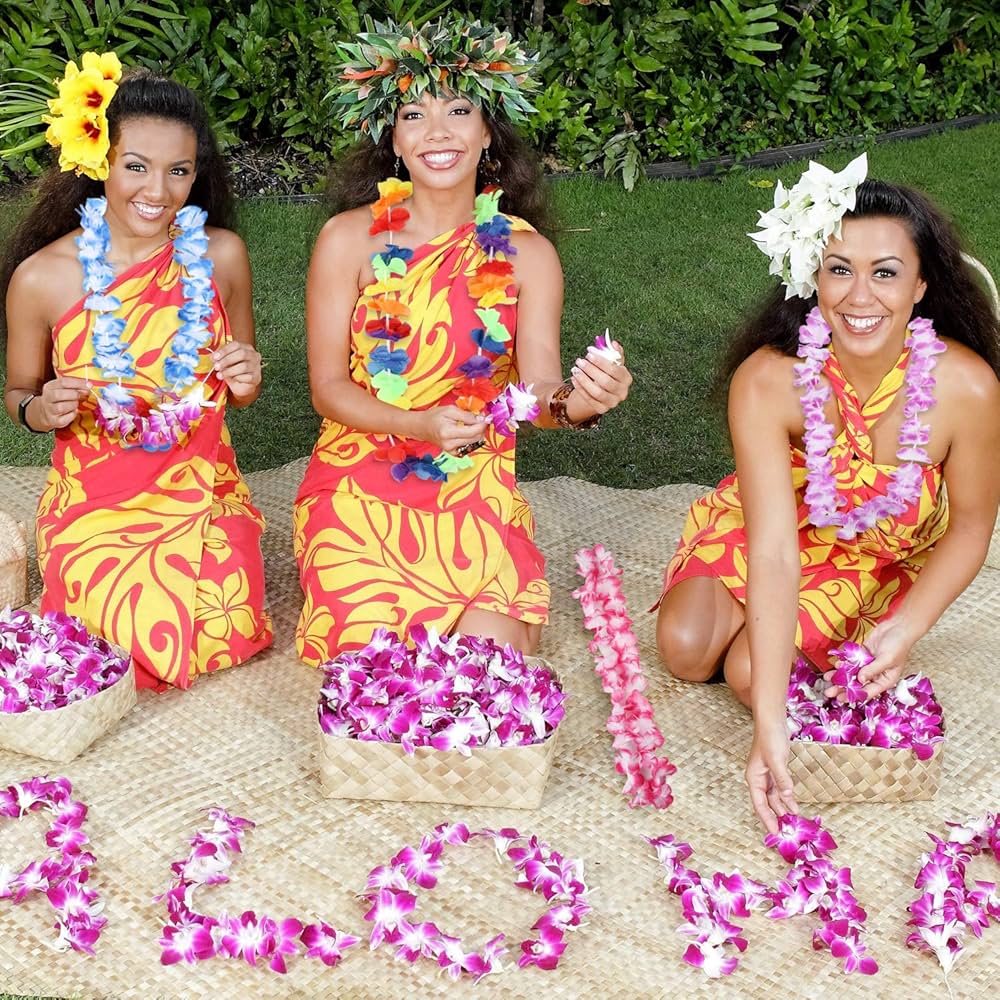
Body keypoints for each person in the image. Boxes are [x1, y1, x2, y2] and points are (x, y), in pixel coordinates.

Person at [653, 155, 1000, 831]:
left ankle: (772, 642)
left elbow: (972, 527)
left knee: (756, 674)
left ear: (923, 283)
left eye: (886, 272)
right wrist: (770, 728)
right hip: (771, 529)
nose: (859, 296)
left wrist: (907, 626)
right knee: (685, 646)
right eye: (839, 269)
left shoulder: (969, 390)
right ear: (812, 275)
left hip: (876, 558)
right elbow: (776, 550)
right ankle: (754, 631)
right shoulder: (766, 379)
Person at [294, 16, 632, 665]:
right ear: (392, 137)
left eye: (458, 109)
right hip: (360, 489)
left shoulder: (529, 258)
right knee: (379, 671)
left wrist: (578, 403)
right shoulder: (348, 240)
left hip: (475, 489)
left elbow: (536, 389)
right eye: (414, 115)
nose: (438, 131)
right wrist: (414, 422)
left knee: (489, 669)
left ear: (487, 134)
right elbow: (328, 388)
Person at [2, 54, 272, 689]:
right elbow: (17, 392)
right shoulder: (43, 276)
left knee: (221, 621)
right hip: (96, 497)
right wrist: (39, 409)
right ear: (99, 163)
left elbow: (243, 393)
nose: (158, 192)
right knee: (108, 634)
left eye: (178, 171)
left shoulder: (222, 255)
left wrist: (247, 378)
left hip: (203, 485)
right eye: (136, 167)